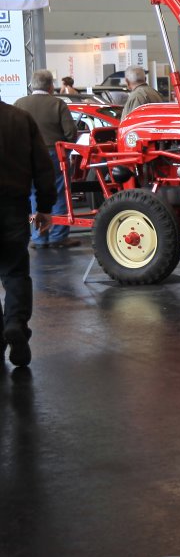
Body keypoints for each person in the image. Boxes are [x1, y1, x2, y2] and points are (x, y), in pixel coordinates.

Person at [1, 92, 55, 367]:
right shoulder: (20, 118)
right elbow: (43, 167)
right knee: (15, 271)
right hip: (12, 206)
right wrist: (44, 206)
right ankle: (15, 324)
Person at [15, 70, 74, 248]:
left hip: (26, 155)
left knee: (33, 194)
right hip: (53, 154)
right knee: (59, 193)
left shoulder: (19, 104)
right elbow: (70, 133)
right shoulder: (58, 104)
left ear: (32, 85)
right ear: (50, 86)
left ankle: (39, 237)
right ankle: (58, 236)